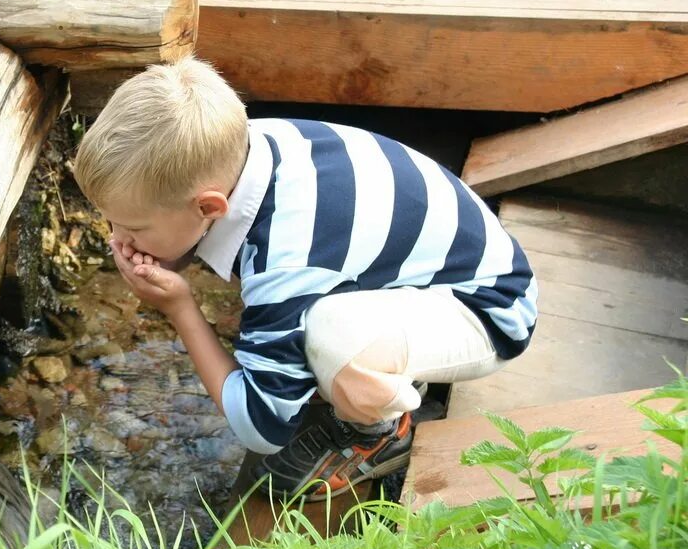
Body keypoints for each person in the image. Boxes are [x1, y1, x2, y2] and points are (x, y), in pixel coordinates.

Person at [71, 56, 538, 500]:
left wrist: (181, 308)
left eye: (133, 228)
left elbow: (262, 427)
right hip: (432, 271)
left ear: (210, 207)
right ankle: (377, 364)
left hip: (486, 312)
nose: (118, 238)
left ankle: (378, 430)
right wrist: (165, 250)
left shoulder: (287, 258)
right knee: (295, 324)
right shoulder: (251, 145)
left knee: (331, 335)